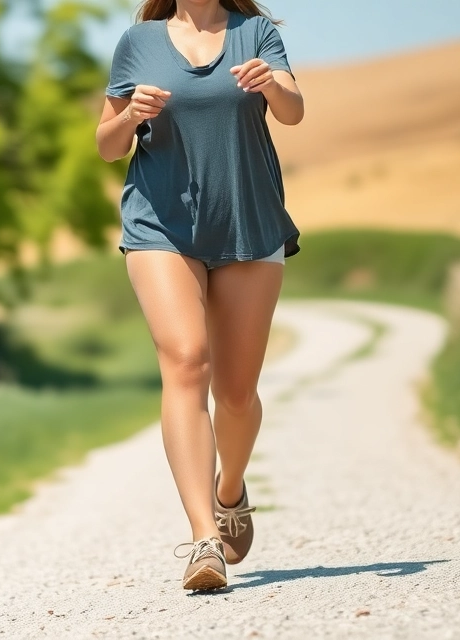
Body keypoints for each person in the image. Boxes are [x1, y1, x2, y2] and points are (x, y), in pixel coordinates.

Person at [94, 0, 304, 591]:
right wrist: (129, 114)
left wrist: (272, 85)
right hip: (160, 224)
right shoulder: (139, 43)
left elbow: (293, 113)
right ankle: (204, 539)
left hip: (247, 220)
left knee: (236, 393)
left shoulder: (255, 33)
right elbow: (108, 146)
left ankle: (230, 489)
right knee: (186, 360)